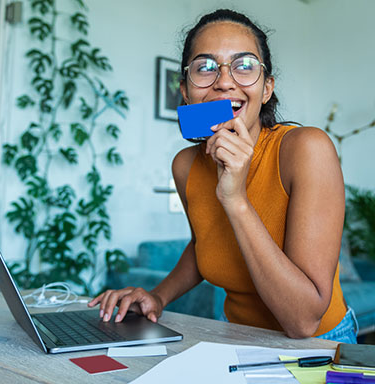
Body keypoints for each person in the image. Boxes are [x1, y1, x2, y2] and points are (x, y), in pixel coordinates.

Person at [89, 9, 356, 343]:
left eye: (244, 66)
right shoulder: (185, 165)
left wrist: (235, 199)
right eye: (205, 67)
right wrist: (158, 296)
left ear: (267, 88)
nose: (225, 81)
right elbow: (207, 243)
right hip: (235, 336)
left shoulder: (307, 150)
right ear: (185, 90)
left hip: (320, 345)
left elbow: (302, 322)